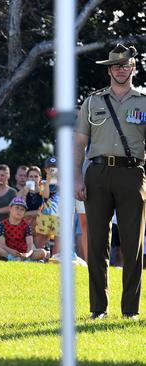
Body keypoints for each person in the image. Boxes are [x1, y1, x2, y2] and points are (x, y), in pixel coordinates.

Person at [75, 44, 145, 320]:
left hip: (133, 174)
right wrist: (75, 180)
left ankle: (130, 310)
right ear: (109, 70)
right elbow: (79, 143)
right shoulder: (93, 101)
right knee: (96, 244)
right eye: (115, 65)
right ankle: (98, 308)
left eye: (125, 64)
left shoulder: (144, 100)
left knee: (133, 245)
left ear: (134, 67)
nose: (120, 69)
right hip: (98, 173)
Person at [0, 197, 48, 261]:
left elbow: (30, 244)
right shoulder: (2, 224)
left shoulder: (26, 225)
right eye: (17, 208)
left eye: (22, 209)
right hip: (8, 251)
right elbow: (2, 244)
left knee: (43, 252)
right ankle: (13, 258)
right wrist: (11, 251)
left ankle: (24, 259)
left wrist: (27, 254)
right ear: (10, 208)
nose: (19, 211)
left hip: (23, 252)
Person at [34, 157, 60, 254]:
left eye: (55, 168)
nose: (52, 170)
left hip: (59, 215)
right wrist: (48, 181)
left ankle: (55, 258)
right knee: (42, 238)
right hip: (45, 215)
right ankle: (40, 257)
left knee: (59, 239)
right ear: (45, 170)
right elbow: (45, 196)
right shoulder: (43, 182)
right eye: (50, 168)